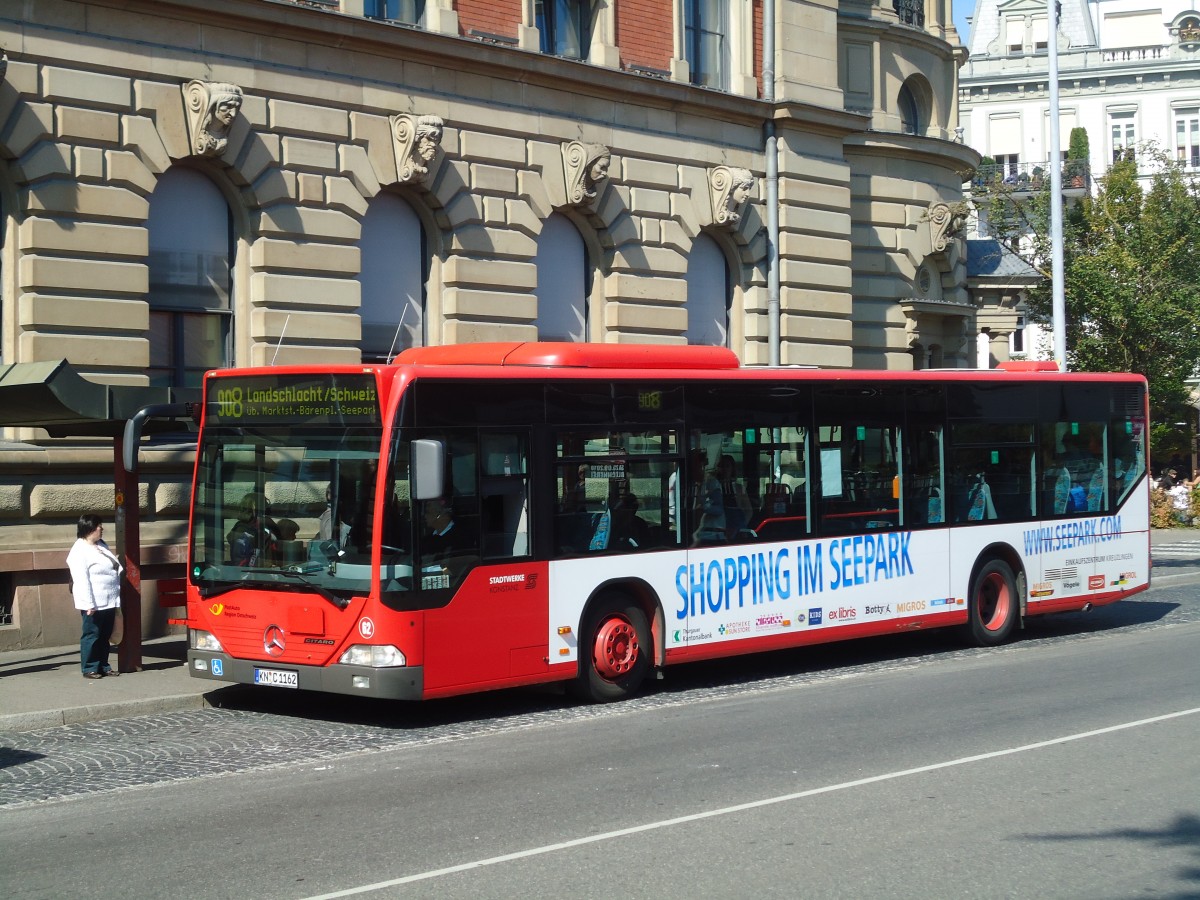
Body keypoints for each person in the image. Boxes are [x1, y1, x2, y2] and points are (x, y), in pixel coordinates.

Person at [67, 513, 123, 679]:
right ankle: (89, 668)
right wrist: (88, 603)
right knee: (92, 635)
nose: (102, 528)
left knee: (105, 635)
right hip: (93, 601)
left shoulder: (101, 545)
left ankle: (103, 666)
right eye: (99, 526)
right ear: (89, 528)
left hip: (109, 599)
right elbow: (81, 579)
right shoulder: (79, 550)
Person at [227, 492, 277, 566]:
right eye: (263, 510)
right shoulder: (242, 533)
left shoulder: (262, 527)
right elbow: (240, 564)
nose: (265, 515)